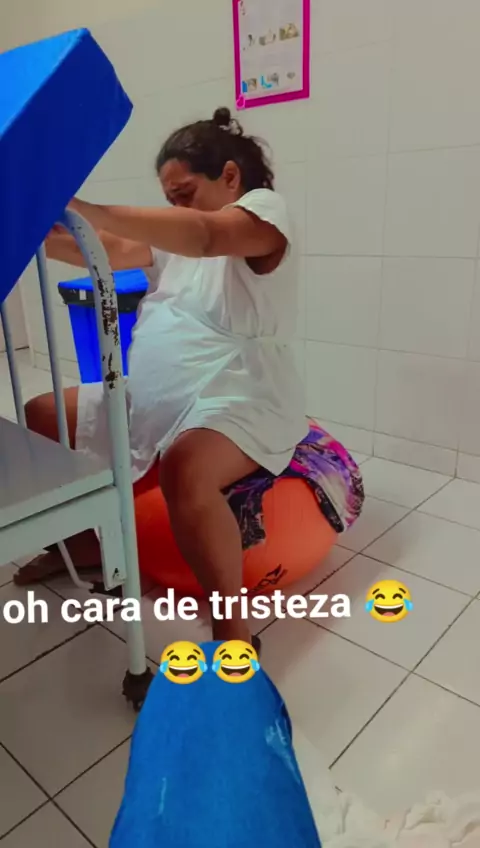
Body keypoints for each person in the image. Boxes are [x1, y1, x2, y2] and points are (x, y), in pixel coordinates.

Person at [16, 107, 307, 646]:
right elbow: (109, 249)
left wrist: (84, 206)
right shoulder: (182, 242)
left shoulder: (263, 214)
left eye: (184, 193)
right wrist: (31, 230)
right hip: (159, 394)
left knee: (186, 468)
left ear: (230, 177)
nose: (178, 207)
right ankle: (87, 543)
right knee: (43, 413)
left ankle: (232, 629)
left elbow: (204, 235)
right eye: (171, 199)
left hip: (238, 393)